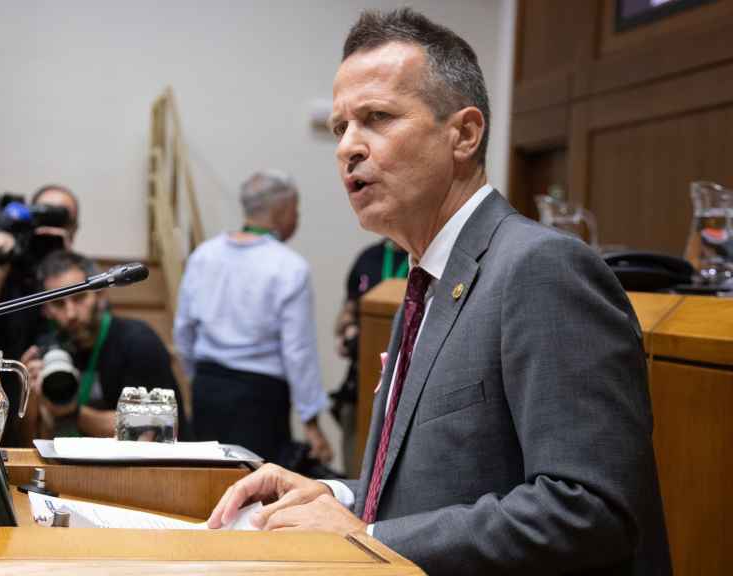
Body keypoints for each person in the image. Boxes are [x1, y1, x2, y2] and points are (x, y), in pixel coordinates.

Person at [208, 9, 670, 575]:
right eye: (340, 127)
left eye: (376, 118)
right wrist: (335, 498)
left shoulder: (541, 268)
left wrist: (366, 536)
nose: (348, 148)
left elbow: (590, 509)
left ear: (465, 134)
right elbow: (438, 487)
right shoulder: (426, 279)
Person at [173, 170, 332, 467]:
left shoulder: (203, 255)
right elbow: (298, 352)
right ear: (282, 210)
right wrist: (311, 421)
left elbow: (183, 331)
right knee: (254, 491)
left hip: (208, 388)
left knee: (206, 481)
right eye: (296, 211)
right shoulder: (289, 267)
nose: (296, 219)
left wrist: (197, 379)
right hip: (260, 399)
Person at [21, 250, 188, 439]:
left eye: (79, 298)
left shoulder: (137, 341)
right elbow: (29, 443)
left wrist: (72, 411)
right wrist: (30, 400)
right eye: (58, 304)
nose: (71, 314)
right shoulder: (47, 349)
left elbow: (148, 430)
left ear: (100, 296)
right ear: (45, 310)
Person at [0, 184, 79, 361]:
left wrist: (65, 263)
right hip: (10, 377)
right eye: (43, 216)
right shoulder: (10, 263)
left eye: (59, 219)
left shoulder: (83, 274)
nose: (49, 229)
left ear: (74, 228)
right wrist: (1, 267)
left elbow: (82, 334)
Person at [330, 239, 408, 469]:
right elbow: (346, 314)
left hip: (404, 389)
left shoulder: (424, 258)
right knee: (356, 471)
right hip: (361, 387)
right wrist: (347, 332)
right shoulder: (368, 257)